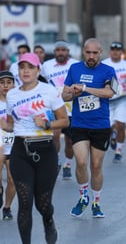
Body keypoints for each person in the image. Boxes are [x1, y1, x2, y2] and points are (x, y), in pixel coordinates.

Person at [2, 53, 69, 244]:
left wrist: (47, 125)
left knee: (43, 204)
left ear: (38, 70)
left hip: (45, 150)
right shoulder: (12, 95)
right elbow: (10, 124)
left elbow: (64, 120)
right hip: (20, 150)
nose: (25, 71)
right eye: (22, 67)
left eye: (30, 67)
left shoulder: (49, 91)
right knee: (24, 202)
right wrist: (3, 125)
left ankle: (48, 221)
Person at [63, 38, 116, 218]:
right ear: (83, 52)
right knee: (82, 162)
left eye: (95, 53)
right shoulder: (74, 69)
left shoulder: (108, 71)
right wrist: (71, 91)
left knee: (96, 166)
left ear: (101, 52)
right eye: (88, 52)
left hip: (100, 125)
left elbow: (109, 92)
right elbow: (64, 96)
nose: (91, 56)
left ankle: (96, 202)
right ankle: (83, 197)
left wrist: (86, 88)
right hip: (79, 124)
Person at [42, 40, 80, 179]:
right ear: (54, 52)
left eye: (63, 50)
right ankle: (56, 161)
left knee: (70, 141)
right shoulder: (46, 66)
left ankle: (68, 164)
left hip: (71, 108)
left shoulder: (75, 64)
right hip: (54, 107)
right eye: (58, 50)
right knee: (55, 135)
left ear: (68, 52)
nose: (61, 53)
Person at [102, 41, 126, 162]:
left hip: (122, 99)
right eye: (113, 50)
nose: (115, 52)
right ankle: (112, 135)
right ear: (110, 51)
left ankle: (118, 151)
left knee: (121, 125)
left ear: (121, 52)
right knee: (109, 127)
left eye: (118, 50)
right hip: (107, 100)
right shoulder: (104, 64)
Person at [0, 71, 16, 220]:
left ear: (14, 84)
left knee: (12, 179)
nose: (5, 86)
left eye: (9, 82)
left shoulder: (18, 101)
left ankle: (7, 207)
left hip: (13, 146)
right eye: (2, 82)